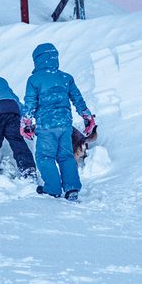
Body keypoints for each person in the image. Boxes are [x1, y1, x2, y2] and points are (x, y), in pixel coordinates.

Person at [22, 43, 95, 202]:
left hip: (46, 126)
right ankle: (72, 189)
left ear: (37, 60)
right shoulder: (66, 78)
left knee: (44, 157)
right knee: (66, 156)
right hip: (65, 126)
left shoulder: (34, 79)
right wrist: (87, 117)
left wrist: (25, 123)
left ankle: (53, 189)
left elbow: (30, 104)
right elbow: (78, 100)